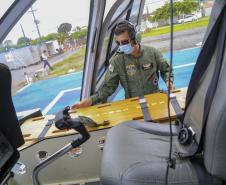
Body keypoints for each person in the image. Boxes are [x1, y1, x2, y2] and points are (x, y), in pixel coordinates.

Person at [72, 20, 174, 109]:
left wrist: (168, 80)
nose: (121, 46)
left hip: (155, 100)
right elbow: (108, 88)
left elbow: (166, 70)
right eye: (118, 43)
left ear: (135, 38)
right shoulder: (117, 61)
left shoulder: (152, 52)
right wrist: (89, 101)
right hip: (133, 105)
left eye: (124, 42)